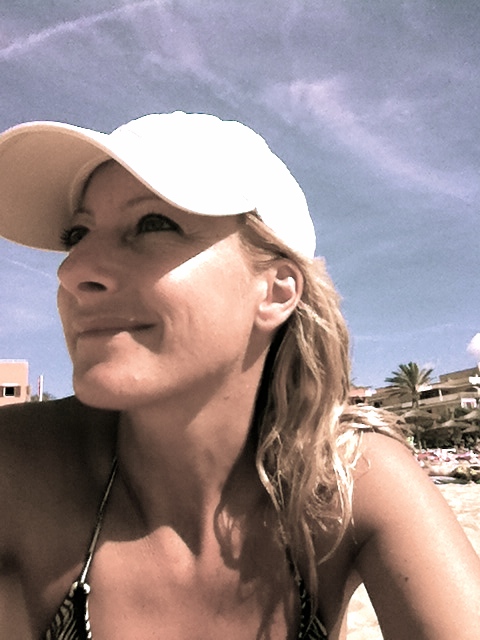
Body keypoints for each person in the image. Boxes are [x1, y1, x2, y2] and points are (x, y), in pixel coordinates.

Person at [0, 111, 479, 640]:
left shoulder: (347, 483)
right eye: (77, 234)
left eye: (153, 224)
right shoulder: (15, 469)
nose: (72, 270)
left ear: (275, 291)